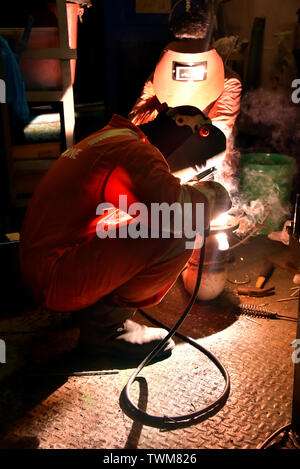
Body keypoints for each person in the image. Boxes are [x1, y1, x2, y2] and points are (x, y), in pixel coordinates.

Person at [19, 105, 231, 363]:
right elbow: (178, 213)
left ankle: (90, 311)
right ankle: (106, 331)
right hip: (54, 281)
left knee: (140, 215)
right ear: (190, 133)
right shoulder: (134, 153)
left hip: (45, 268)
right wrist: (215, 196)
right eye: (195, 165)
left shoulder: (115, 138)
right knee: (183, 230)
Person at [129, 2, 242, 184]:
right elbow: (223, 132)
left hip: (168, 166)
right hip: (192, 166)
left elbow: (135, 122)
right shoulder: (230, 80)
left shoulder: (156, 78)